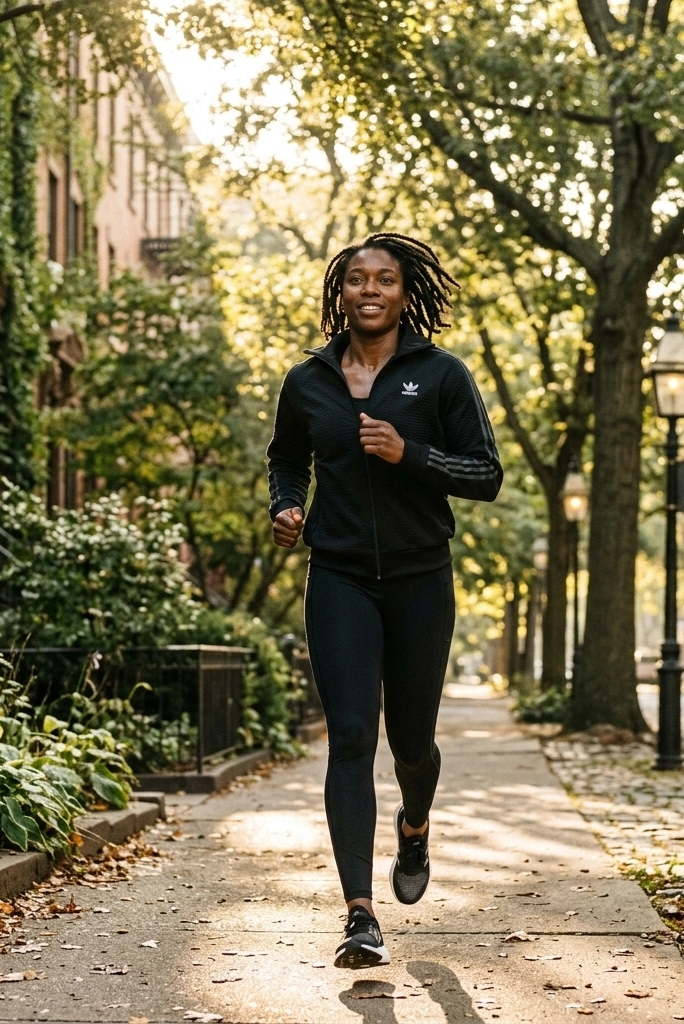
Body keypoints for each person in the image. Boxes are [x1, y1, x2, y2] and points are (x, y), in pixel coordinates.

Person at [267, 232, 502, 969]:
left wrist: (413, 455)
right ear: (341, 292)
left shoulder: (440, 375)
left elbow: (486, 473)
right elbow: (285, 455)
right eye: (357, 280)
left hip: (419, 578)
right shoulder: (308, 380)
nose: (370, 290)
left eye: (386, 279)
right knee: (350, 738)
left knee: (411, 743)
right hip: (336, 575)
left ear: (406, 293)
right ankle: (359, 915)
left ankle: (417, 821)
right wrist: (286, 503)